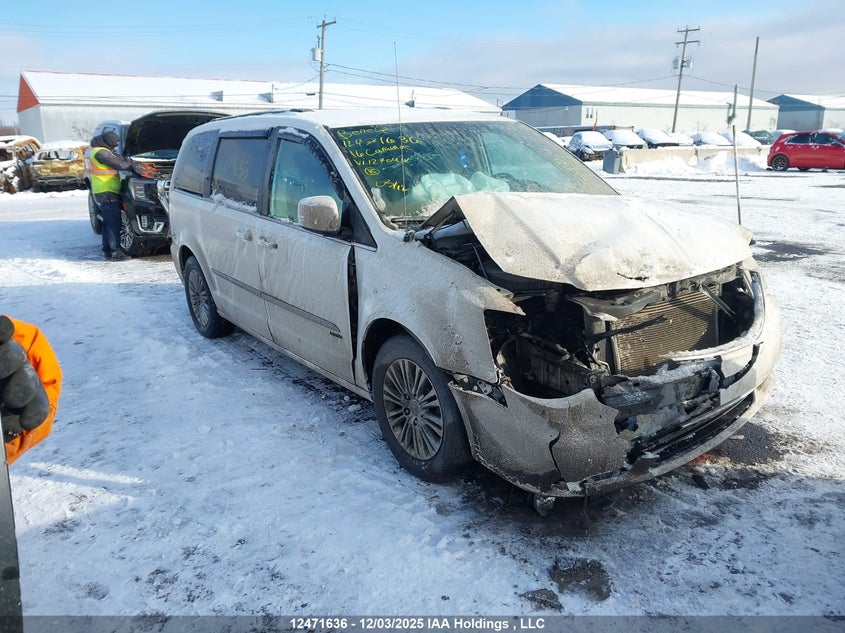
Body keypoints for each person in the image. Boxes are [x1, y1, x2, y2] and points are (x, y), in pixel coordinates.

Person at [88, 131, 154, 261]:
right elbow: (119, 164)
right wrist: (135, 167)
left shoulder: (102, 150)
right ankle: (116, 252)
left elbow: (120, 159)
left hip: (105, 190)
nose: (117, 144)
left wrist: (133, 162)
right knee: (113, 222)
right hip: (106, 191)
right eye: (115, 142)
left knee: (108, 222)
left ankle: (107, 250)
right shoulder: (101, 153)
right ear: (109, 141)